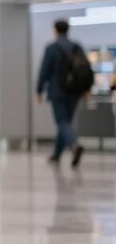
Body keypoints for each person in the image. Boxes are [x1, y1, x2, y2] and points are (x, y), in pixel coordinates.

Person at [36, 20, 86, 167]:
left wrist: (39, 90)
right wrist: (86, 88)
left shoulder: (52, 48)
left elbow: (44, 70)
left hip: (57, 92)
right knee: (66, 123)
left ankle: (74, 145)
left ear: (55, 30)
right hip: (75, 92)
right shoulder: (77, 47)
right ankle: (57, 155)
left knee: (62, 122)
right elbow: (84, 70)